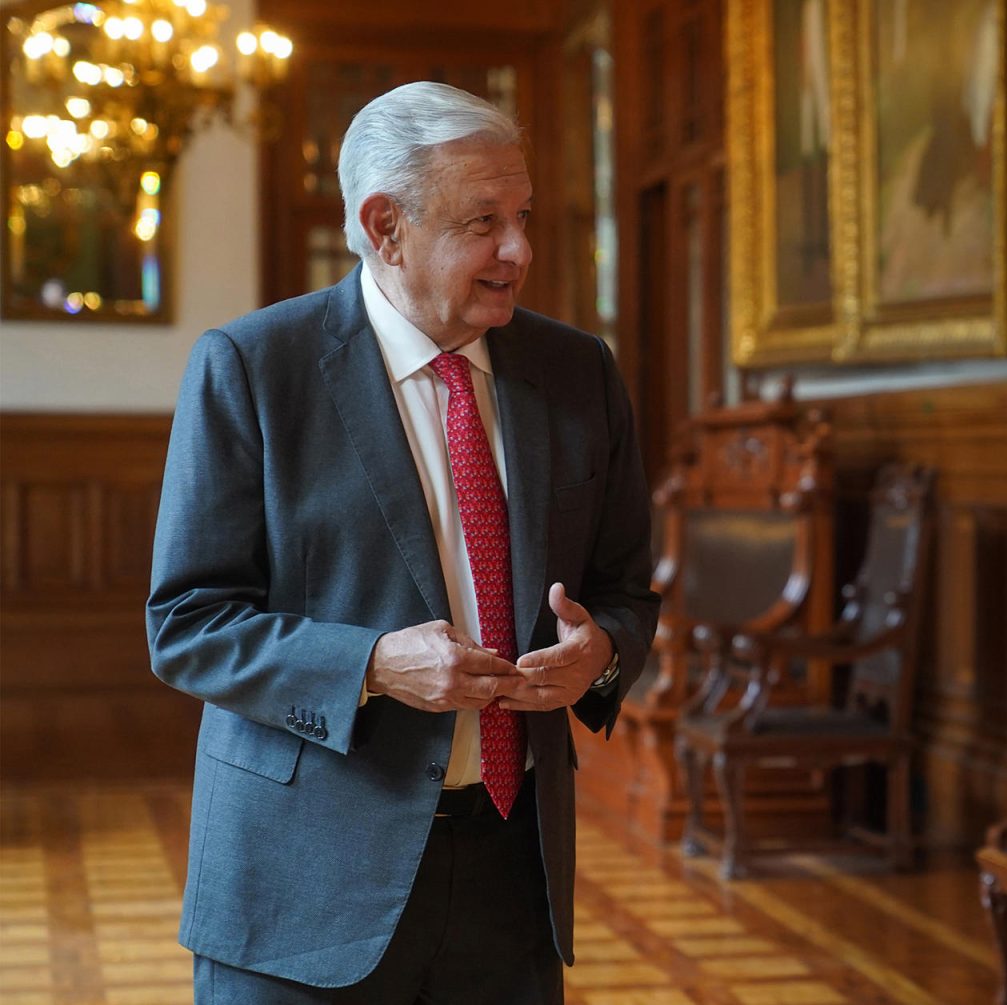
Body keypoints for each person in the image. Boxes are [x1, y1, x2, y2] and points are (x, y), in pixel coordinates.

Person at [146, 81, 659, 1003]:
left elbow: (627, 586)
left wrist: (603, 653)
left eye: (524, 215)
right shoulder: (255, 366)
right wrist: (373, 663)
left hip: (514, 878)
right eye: (484, 222)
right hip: (305, 883)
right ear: (384, 226)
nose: (520, 250)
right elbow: (187, 622)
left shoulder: (580, 370)